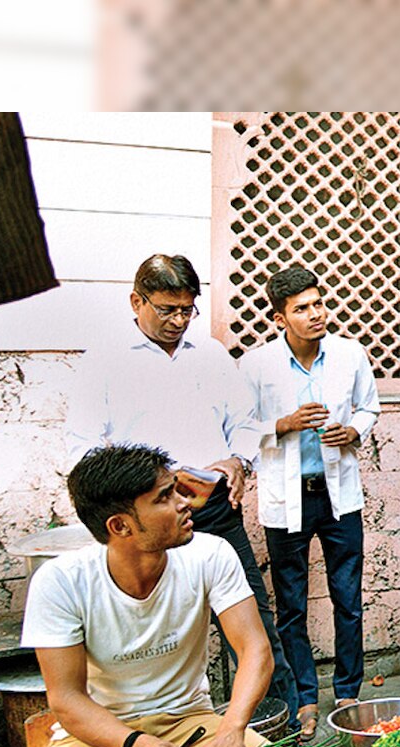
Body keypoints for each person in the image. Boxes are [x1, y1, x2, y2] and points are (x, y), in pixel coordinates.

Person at [64, 253, 299, 720]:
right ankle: (165, 726)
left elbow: (246, 424)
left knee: (251, 621)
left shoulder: (210, 354)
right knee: (156, 627)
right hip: (145, 518)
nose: (178, 321)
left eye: (187, 310)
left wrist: (238, 460)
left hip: (212, 510)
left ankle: (278, 725)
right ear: (137, 301)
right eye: (167, 309)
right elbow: (82, 451)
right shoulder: (106, 360)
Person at [21, 444, 273, 747]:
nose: (185, 502)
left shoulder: (210, 554)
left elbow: (255, 650)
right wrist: (136, 746)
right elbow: (66, 698)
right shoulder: (61, 581)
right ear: (121, 526)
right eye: (164, 497)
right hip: (101, 736)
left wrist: (231, 730)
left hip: (192, 723)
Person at [239, 266, 380, 741]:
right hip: (286, 499)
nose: (316, 314)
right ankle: (304, 698)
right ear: (280, 317)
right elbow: (239, 426)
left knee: (348, 598)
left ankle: (347, 692)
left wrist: (354, 430)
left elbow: (369, 406)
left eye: (319, 303)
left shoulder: (349, 354)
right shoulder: (256, 366)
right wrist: (285, 423)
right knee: (293, 607)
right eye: (301, 308)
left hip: (338, 495)